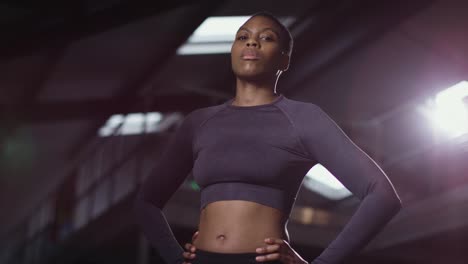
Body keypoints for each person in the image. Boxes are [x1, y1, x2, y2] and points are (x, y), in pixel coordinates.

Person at [134, 11, 402, 264]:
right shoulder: (198, 123)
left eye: (267, 38)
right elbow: (146, 202)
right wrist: (175, 257)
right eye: (243, 36)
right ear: (234, 50)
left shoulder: (303, 118)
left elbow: (382, 196)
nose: (252, 41)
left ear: (284, 60)